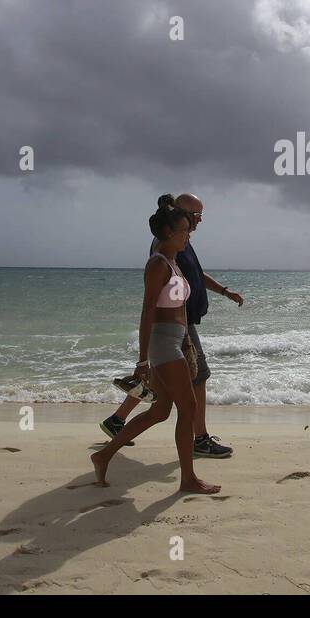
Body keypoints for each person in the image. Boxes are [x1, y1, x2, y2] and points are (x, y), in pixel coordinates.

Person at [91, 197, 219, 494]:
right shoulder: (158, 264)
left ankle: (103, 455)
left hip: (176, 341)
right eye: (184, 231)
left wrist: (186, 338)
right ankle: (188, 479)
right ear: (168, 233)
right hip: (162, 345)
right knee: (187, 408)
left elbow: (178, 309)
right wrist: (142, 361)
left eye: (189, 230)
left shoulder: (174, 261)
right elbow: (148, 311)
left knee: (160, 412)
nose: (189, 235)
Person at [100, 193, 243, 458]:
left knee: (161, 386)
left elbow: (196, 275)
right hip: (178, 326)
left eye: (200, 216)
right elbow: (153, 300)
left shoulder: (183, 242)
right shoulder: (165, 246)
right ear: (181, 213)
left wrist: (224, 291)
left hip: (180, 326)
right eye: (196, 215)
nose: (199, 221)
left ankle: (117, 421)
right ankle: (200, 439)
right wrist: (144, 356)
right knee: (197, 378)